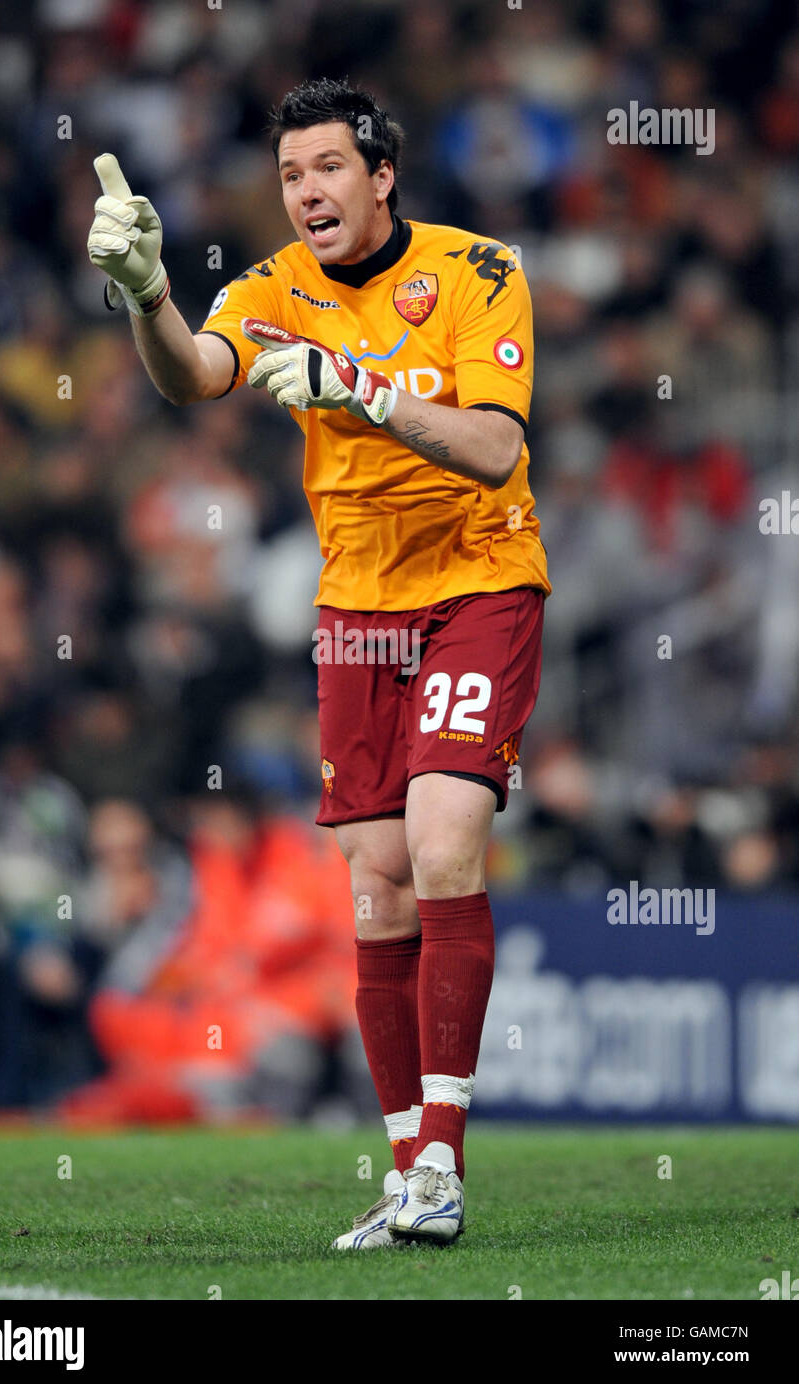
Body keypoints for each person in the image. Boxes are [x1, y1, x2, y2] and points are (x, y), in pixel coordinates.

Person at [86, 77, 550, 1249]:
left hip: (477, 579)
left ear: (380, 175)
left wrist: (360, 390)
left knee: (445, 843)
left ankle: (440, 1162)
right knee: (377, 880)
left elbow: (496, 450)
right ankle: (407, 1177)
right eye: (292, 175)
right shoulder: (272, 290)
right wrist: (145, 295)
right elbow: (191, 374)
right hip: (355, 611)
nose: (308, 192)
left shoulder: (478, 273)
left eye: (330, 168)